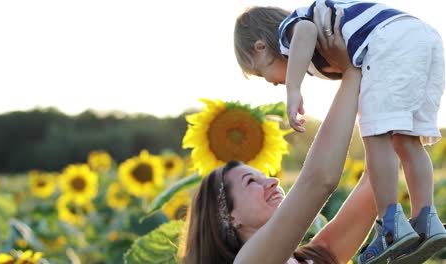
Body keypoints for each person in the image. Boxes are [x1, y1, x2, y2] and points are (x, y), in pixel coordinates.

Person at [234, 1, 446, 263]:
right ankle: (427, 219)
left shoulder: (289, 32)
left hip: (388, 39)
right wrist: (347, 70)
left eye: (262, 73)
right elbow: (356, 71)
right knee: (407, 141)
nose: (274, 82)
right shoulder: (325, 51)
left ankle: (391, 225)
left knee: (376, 136)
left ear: (261, 47)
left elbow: (306, 31)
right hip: (423, 40)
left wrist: (293, 88)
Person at [180, 11, 377, 264]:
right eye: (251, 181)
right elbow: (318, 181)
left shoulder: (314, 257)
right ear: (229, 216)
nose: (272, 183)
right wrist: (351, 70)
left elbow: (373, 186)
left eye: (265, 178)